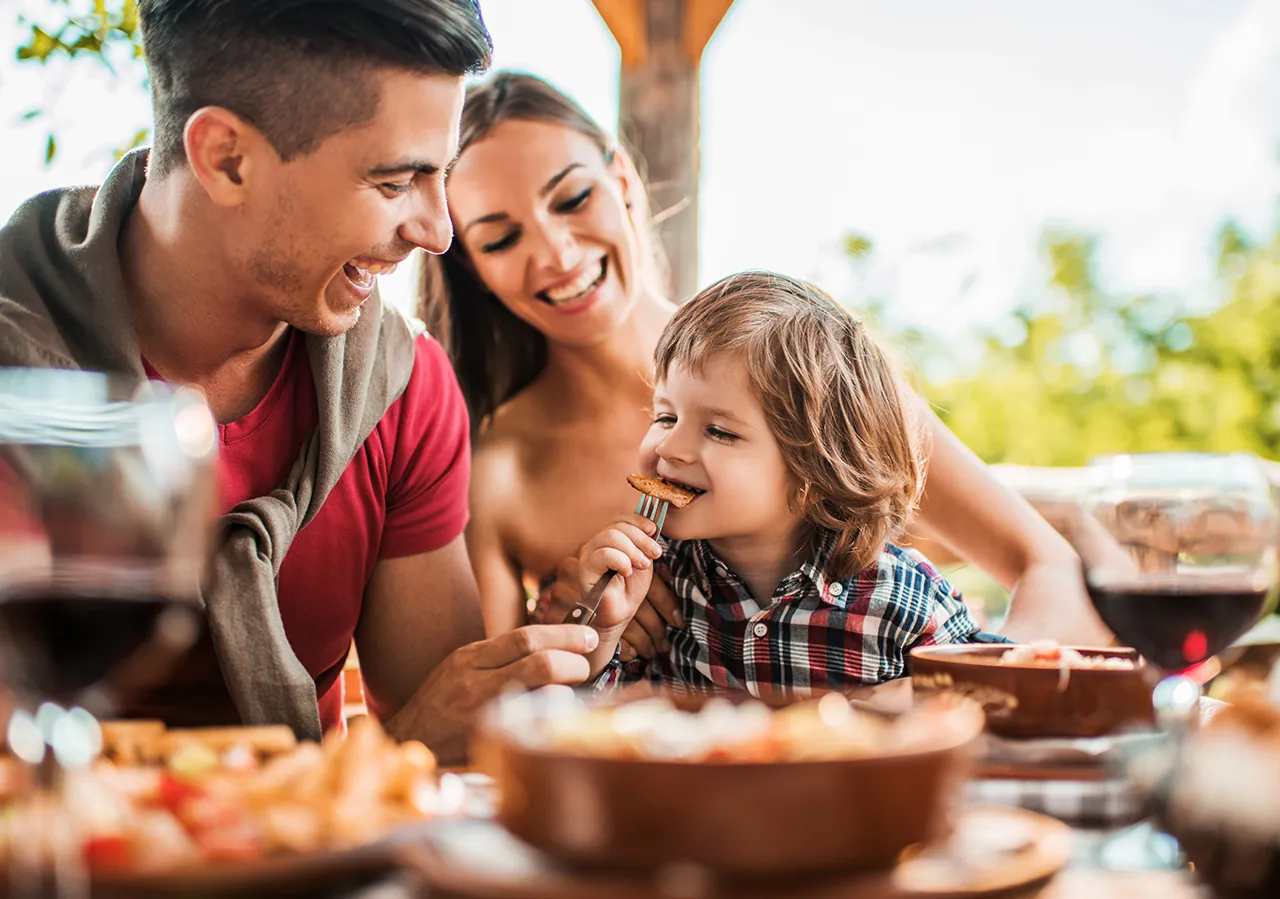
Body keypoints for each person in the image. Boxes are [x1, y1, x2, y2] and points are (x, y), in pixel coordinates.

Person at [0, 1, 598, 765]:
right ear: (226, 159)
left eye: (439, 173)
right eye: (395, 181)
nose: (438, 231)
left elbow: (443, 740)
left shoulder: (404, 389)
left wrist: (572, 650)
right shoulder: (17, 377)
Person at [420, 71, 1111, 660]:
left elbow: (1046, 564)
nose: (556, 252)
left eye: (573, 198)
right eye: (502, 237)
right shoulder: (499, 469)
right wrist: (568, 624)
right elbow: (496, 715)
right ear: (473, 267)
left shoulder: (799, 366)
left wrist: (989, 696)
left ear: (622, 176)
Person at [572, 271, 1009, 694]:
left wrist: (911, 698)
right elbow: (588, 729)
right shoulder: (652, 584)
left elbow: (988, 699)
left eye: (720, 431)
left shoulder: (901, 597)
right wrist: (600, 635)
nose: (670, 447)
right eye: (665, 415)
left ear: (815, 473)